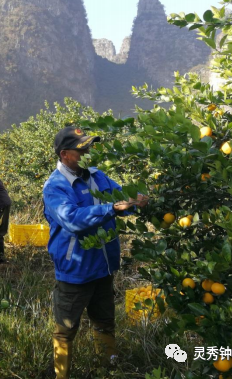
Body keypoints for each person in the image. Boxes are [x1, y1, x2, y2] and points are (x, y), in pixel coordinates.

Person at [43, 126, 148, 379]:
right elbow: (71, 219)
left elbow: (122, 198)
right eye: (82, 149)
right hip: (75, 271)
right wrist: (111, 208)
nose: (88, 152)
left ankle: (109, 368)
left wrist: (137, 201)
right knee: (65, 329)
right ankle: (61, 375)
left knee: (104, 321)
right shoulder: (55, 186)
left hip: (103, 266)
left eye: (89, 146)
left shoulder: (97, 177)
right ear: (65, 154)